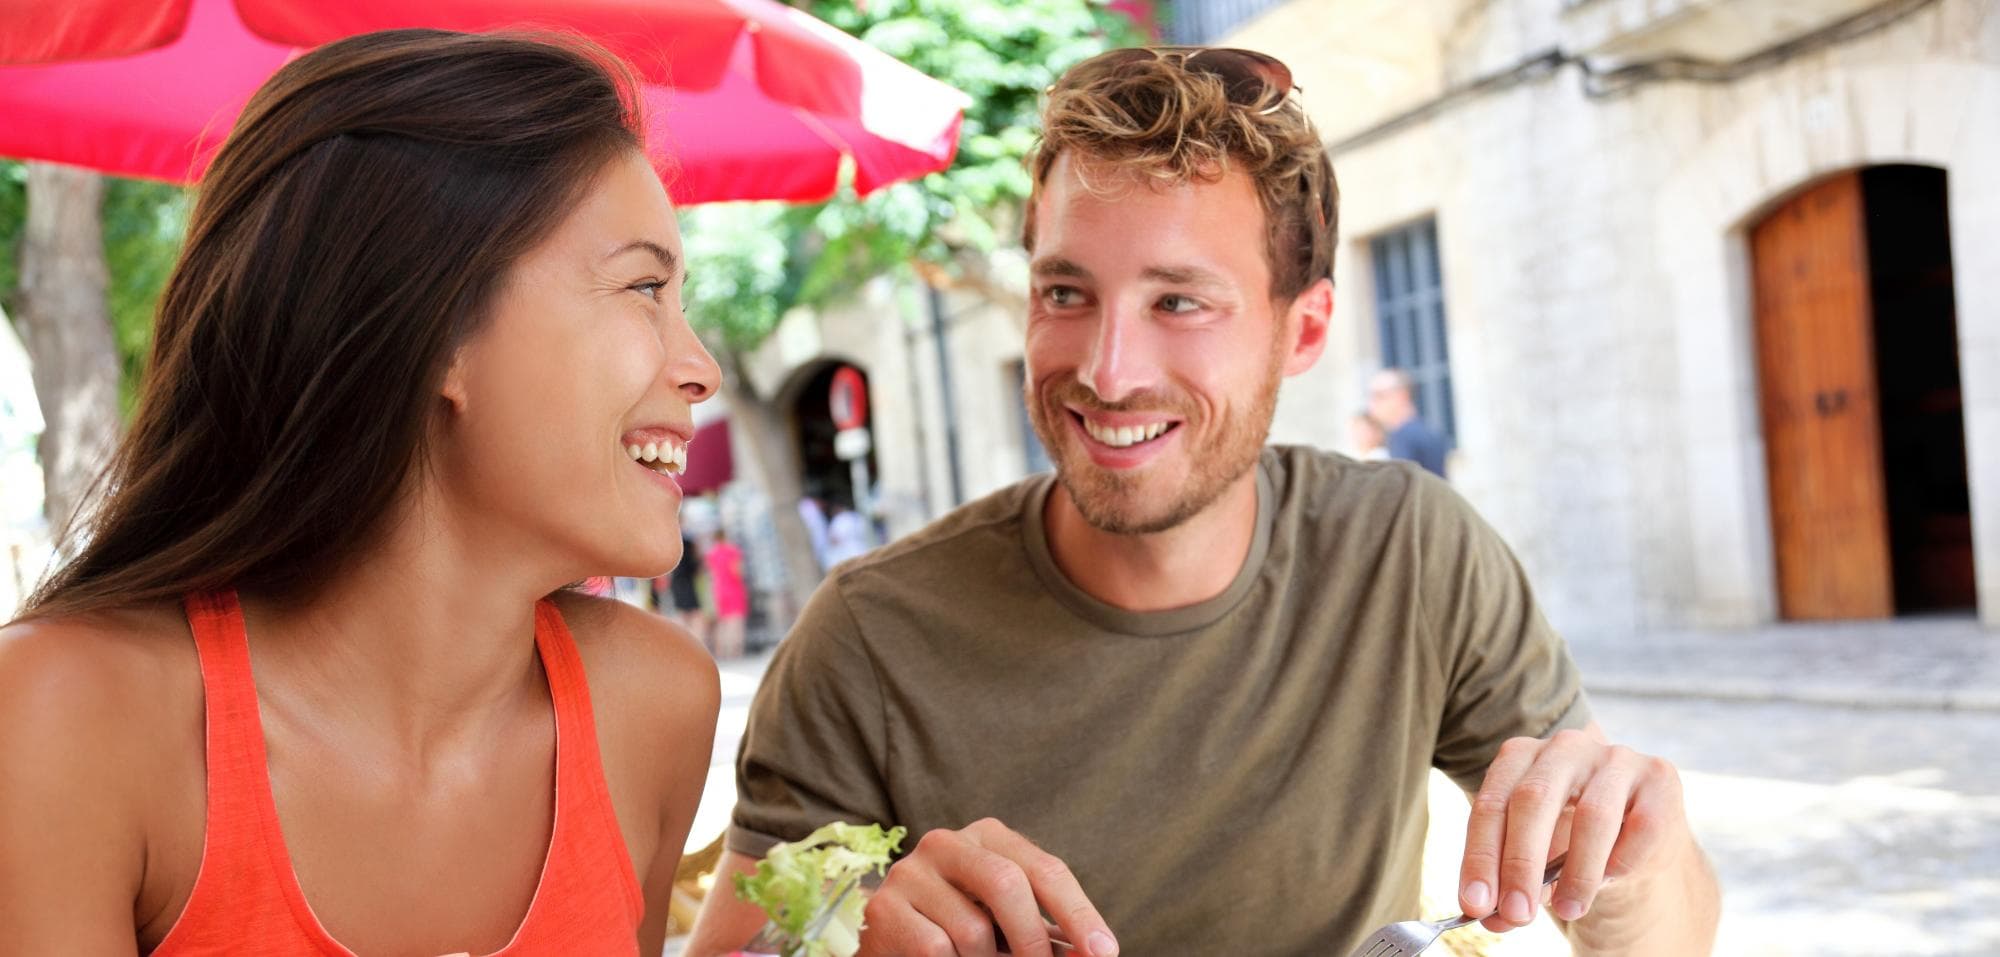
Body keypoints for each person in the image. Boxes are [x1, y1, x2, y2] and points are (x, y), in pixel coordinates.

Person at [687, 44, 1718, 957]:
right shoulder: (868, 637)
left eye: (1177, 302)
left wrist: (1631, 863)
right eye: (1064, 293)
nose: (1106, 367)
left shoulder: (1407, 550)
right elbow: (741, 947)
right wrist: (850, 943)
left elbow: (1650, 939)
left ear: (1300, 332)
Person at [0, 31, 723, 953]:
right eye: (645, 287)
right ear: (438, 331)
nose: (698, 368)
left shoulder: (654, 703)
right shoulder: (69, 718)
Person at [1369, 367, 1451, 478]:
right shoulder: (1426, 430)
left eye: (1379, 396)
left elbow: (1400, 486)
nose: (1372, 404)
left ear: (1402, 395)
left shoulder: (1403, 437)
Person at [706, 530, 749, 659]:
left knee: (723, 622)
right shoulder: (733, 551)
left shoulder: (711, 553)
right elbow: (736, 571)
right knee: (736, 621)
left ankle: (722, 651)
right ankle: (736, 651)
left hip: (719, 590)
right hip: (734, 588)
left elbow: (711, 574)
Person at [822, 499, 877, 568]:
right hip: (862, 548)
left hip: (848, 553)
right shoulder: (856, 516)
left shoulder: (838, 520)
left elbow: (834, 539)